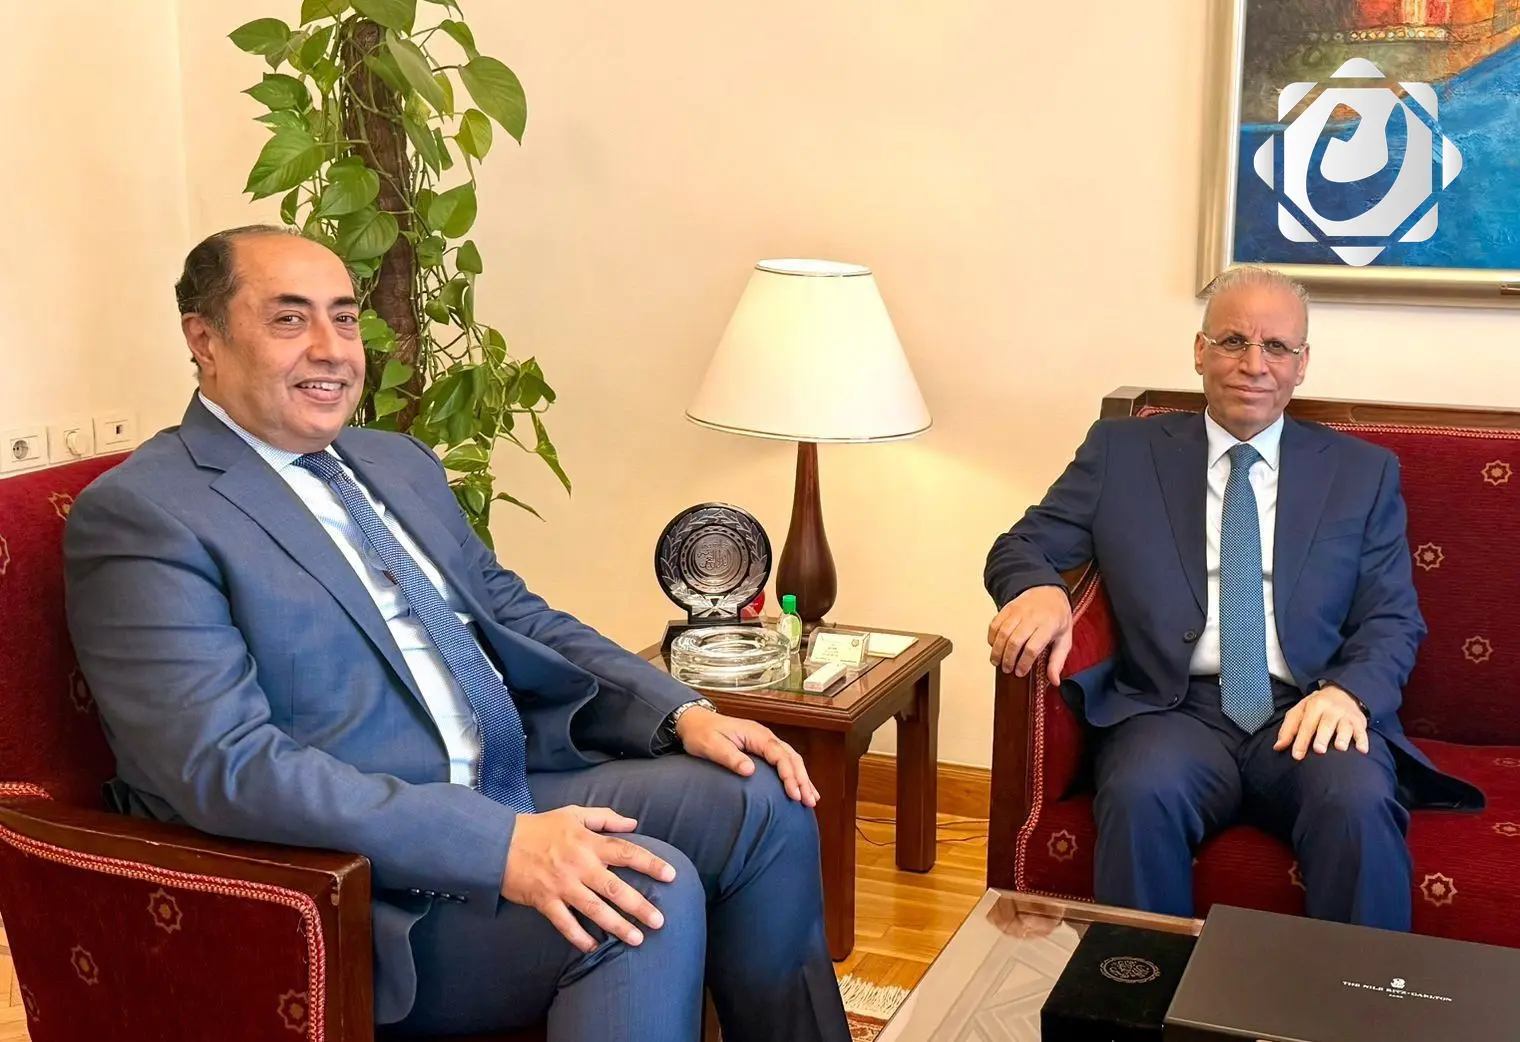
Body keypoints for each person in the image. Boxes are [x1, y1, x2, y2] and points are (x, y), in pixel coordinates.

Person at [63, 225, 850, 1042]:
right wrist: (495, 844)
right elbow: (225, 765)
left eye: (343, 317)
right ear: (205, 339)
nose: (332, 349)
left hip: (507, 780)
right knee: (642, 896)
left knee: (763, 798)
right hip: (363, 885)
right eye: (290, 320)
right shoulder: (147, 513)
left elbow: (511, 611)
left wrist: (683, 711)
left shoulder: (394, 462)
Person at [983, 265, 1482, 932]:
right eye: (1232, 341)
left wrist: (1349, 695)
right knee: (1139, 792)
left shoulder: (1360, 473)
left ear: (1302, 363)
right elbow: (1021, 544)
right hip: (1172, 709)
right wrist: (1040, 587)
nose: (1254, 364)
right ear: (1199, 351)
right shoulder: (1122, 452)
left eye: (1276, 347)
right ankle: (1139, 987)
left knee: (1357, 801)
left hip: (1307, 709)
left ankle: (1355, 996)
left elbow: (1392, 617)